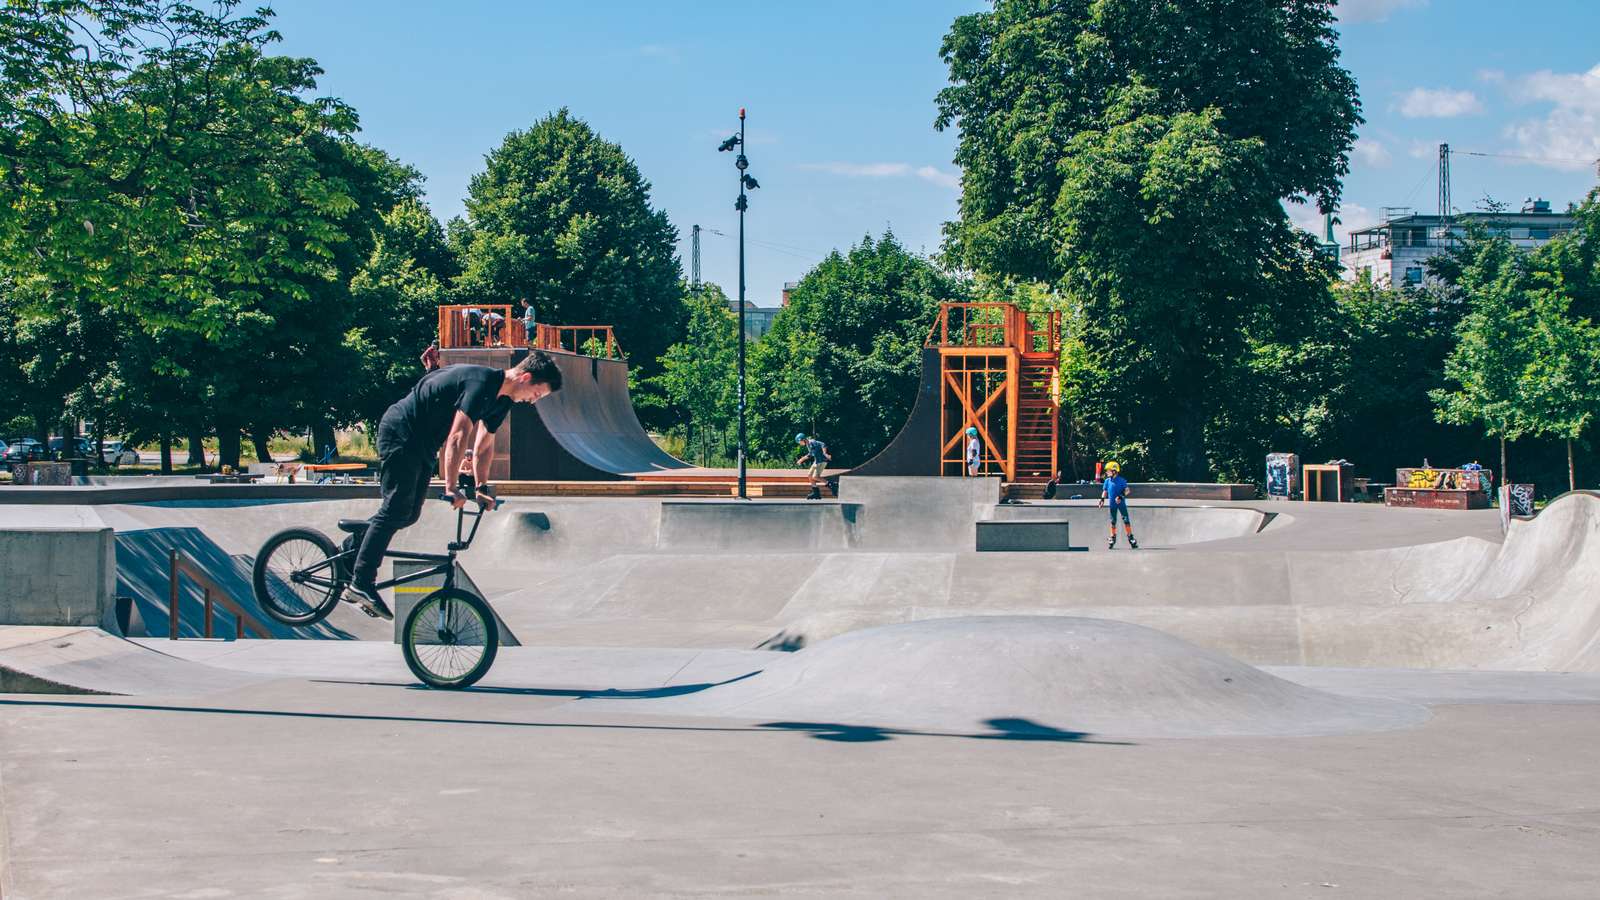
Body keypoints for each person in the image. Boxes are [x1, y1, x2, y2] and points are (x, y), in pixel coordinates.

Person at [346, 351, 564, 619]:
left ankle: (352, 549)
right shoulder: (482, 383)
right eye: (537, 394)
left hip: (423, 443)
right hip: (401, 433)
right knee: (395, 508)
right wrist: (450, 486)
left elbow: (484, 446)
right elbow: (459, 436)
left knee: (409, 513)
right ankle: (361, 582)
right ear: (526, 377)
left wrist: (481, 486)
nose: (533, 401)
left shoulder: (502, 401)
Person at [1097, 460, 1138, 550]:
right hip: (1112, 505)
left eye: (1108, 470)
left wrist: (1121, 496)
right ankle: (1112, 537)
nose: (1106, 472)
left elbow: (1127, 490)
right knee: (1113, 521)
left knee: (1126, 520)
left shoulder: (1121, 480)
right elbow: (1105, 491)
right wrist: (1102, 499)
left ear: (1114, 471)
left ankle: (1130, 537)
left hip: (1121, 504)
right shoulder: (1107, 481)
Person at [795, 433, 831, 500]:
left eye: (800, 442)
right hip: (817, 461)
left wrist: (825, 453)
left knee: (815, 477)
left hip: (821, 461)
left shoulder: (812, 442)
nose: (800, 444)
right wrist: (801, 460)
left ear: (803, 440)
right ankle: (816, 493)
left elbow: (823, 444)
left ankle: (831, 485)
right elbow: (810, 454)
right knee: (809, 475)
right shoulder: (808, 444)